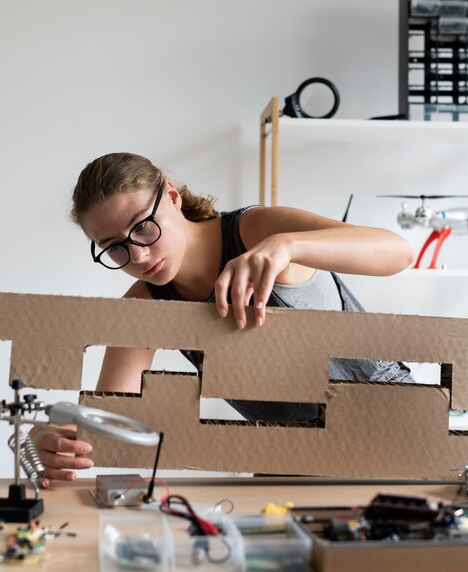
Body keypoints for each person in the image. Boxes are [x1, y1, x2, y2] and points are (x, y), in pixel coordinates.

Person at [31, 152, 416, 487]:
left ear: (172, 196)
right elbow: (112, 422)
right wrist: (53, 434)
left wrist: (285, 245)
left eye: (143, 227)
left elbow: (397, 252)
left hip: (395, 430)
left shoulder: (254, 231)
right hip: (296, 462)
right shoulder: (144, 304)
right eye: (114, 248)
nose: (140, 257)